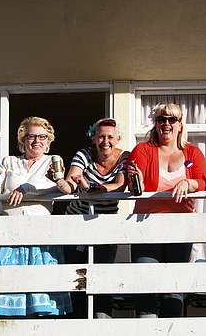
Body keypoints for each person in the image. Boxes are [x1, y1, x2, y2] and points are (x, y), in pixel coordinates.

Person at [0, 116, 73, 316]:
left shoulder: (53, 161)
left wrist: (25, 188)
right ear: (23, 140)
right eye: (31, 136)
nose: (36, 141)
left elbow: (53, 186)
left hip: (39, 232)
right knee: (5, 289)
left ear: (48, 141)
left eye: (42, 137)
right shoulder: (10, 161)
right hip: (7, 230)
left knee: (37, 291)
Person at [128, 103, 206, 318]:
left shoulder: (192, 151)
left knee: (173, 288)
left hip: (180, 228)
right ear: (155, 124)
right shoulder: (143, 149)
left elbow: (202, 181)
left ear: (180, 125)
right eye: (161, 119)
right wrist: (135, 180)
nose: (166, 124)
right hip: (146, 227)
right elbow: (137, 186)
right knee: (146, 286)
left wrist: (187, 183)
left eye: (172, 120)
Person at [64, 118, 128, 318]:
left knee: (102, 276)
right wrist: (73, 183)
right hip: (76, 224)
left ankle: (102, 323)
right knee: (76, 276)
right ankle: (78, 323)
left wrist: (93, 188)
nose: (105, 141)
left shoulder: (124, 157)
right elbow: (72, 178)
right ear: (93, 138)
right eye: (101, 136)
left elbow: (120, 185)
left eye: (110, 136)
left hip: (105, 226)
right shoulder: (84, 154)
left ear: (117, 138)